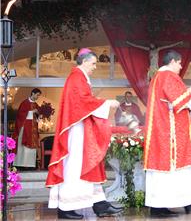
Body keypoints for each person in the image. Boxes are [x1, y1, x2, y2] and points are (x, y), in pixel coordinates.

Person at [46, 48, 122, 219]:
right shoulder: (76, 77)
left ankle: (100, 204)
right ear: (85, 61)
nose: (95, 67)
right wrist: (107, 102)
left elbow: (84, 102)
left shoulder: (80, 77)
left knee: (88, 163)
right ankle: (65, 207)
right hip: (76, 130)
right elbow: (82, 102)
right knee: (75, 166)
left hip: (82, 128)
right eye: (94, 63)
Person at [144, 50, 191, 218]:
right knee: (172, 168)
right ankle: (163, 206)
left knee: (169, 170)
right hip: (170, 132)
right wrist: (190, 92)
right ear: (172, 61)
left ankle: (171, 204)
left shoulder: (157, 77)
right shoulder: (168, 76)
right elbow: (178, 101)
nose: (180, 67)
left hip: (163, 129)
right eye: (179, 63)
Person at [13, 88, 42, 169]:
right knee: (23, 147)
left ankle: (30, 165)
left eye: (38, 96)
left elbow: (37, 118)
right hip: (25, 127)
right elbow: (20, 114)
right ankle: (21, 164)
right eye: (37, 95)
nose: (37, 97)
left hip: (33, 129)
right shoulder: (25, 103)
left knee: (31, 148)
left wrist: (39, 116)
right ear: (33, 93)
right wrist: (32, 111)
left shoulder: (36, 104)